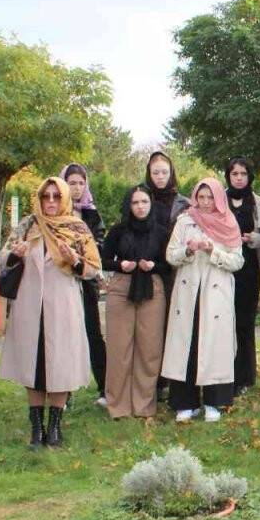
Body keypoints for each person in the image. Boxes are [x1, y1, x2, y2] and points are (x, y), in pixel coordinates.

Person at [0, 178, 102, 448]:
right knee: (32, 365)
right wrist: (14, 255)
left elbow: (93, 269)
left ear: (65, 198)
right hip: (29, 304)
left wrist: (74, 260)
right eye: (46, 196)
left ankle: (55, 426)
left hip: (63, 304)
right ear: (40, 199)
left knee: (61, 364)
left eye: (57, 196)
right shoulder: (28, 225)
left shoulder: (77, 228)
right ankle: (36, 427)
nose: (52, 201)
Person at [162, 178, 245, 422]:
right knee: (187, 343)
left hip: (216, 293)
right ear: (195, 197)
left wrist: (213, 251)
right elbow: (170, 255)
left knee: (213, 345)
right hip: (189, 292)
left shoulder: (229, 222)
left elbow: (237, 261)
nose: (206, 202)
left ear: (219, 198)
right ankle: (185, 401)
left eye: (210, 197)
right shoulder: (185, 220)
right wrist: (188, 251)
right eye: (201, 197)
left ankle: (214, 401)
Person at [100, 186, 171, 419]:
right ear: (128, 206)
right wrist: (121, 265)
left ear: (151, 205)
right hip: (122, 289)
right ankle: (118, 406)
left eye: (144, 202)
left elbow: (169, 264)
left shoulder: (161, 232)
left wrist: (153, 266)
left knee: (149, 350)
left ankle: (143, 405)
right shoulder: (119, 230)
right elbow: (103, 259)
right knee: (119, 349)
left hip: (152, 289)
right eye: (135, 203)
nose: (140, 207)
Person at [143, 150, 190, 401]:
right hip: (149, 269)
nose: (160, 177)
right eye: (155, 172)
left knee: (175, 324)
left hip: (175, 271)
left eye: (164, 172)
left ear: (171, 173)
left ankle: (174, 379)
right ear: (149, 175)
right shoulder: (141, 198)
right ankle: (154, 382)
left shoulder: (184, 203)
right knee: (152, 327)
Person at [61, 163, 108, 406]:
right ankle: (64, 392)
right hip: (61, 281)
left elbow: (99, 244)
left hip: (85, 280)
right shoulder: (55, 213)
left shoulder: (91, 213)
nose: (77, 188)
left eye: (81, 183)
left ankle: (105, 387)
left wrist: (82, 254)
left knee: (93, 333)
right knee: (65, 335)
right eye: (72, 183)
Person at [224, 157, 260, 395]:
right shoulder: (219, 199)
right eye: (234, 174)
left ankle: (245, 375)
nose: (239, 178)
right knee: (224, 322)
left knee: (244, 322)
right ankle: (224, 373)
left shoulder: (259, 202)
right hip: (223, 268)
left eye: (243, 173)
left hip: (249, 268)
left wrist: (254, 239)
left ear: (249, 176)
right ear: (228, 176)